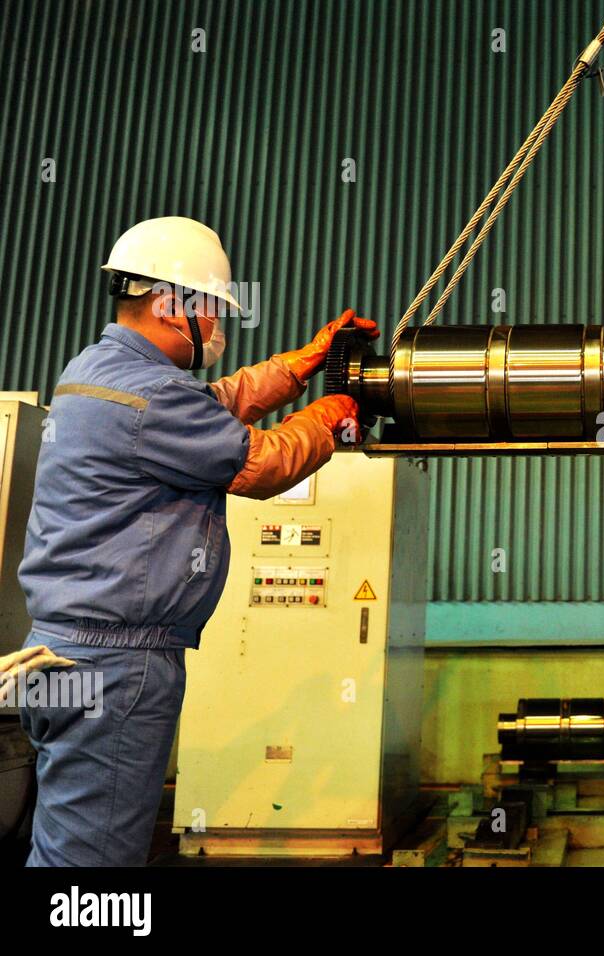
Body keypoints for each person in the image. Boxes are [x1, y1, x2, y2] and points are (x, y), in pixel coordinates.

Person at [14, 216, 376, 865]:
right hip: (114, 666)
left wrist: (301, 366)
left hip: (61, 653)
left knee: (65, 843)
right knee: (91, 866)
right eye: (211, 312)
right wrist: (331, 415)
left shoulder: (98, 372)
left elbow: (214, 404)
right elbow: (261, 464)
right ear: (172, 305)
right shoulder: (149, 396)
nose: (216, 329)